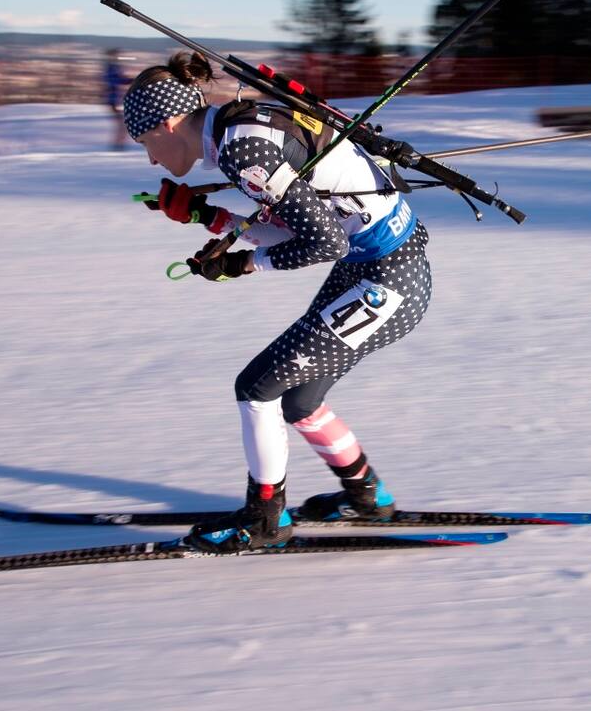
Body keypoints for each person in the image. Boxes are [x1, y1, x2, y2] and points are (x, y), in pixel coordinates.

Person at [122, 51, 430, 553]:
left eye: (147, 143)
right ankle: (369, 497)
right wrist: (207, 214)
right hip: (376, 266)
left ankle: (265, 519)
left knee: (256, 387)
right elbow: (297, 224)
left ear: (169, 121)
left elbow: (323, 242)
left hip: (385, 283)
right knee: (300, 400)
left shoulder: (241, 151)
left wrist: (243, 265)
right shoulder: (235, 124)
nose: (152, 159)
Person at [102, 48, 131, 149]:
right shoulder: (110, 68)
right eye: (115, 55)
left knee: (122, 124)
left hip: (114, 100)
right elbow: (117, 80)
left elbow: (120, 80)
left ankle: (118, 145)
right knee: (122, 124)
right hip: (112, 101)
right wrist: (130, 80)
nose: (117, 57)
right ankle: (118, 146)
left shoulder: (113, 67)